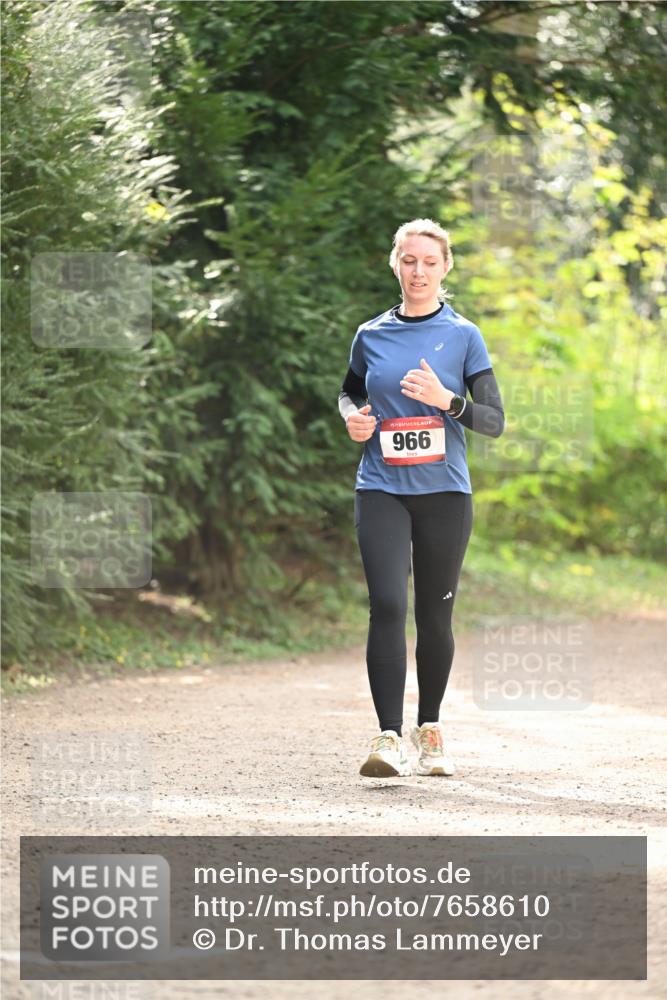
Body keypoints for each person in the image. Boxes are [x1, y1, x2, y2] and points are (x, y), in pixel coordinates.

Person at [338, 218, 505, 778]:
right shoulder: (371, 334)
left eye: (429, 262)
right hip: (381, 486)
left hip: (444, 494)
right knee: (386, 605)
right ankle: (388, 737)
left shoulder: (464, 335)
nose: (418, 271)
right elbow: (349, 393)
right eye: (409, 260)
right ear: (395, 264)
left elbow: (494, 421)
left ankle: (428, 729)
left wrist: (446, 399)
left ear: (445, 268)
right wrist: (354, 421)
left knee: (435, 617)